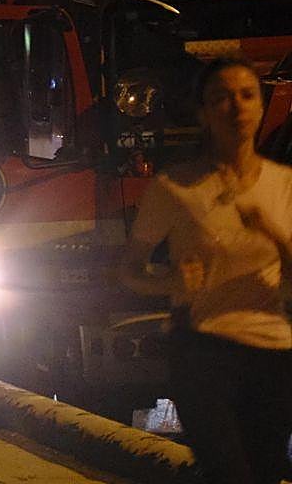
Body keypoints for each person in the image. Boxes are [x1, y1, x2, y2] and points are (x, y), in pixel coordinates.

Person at [120, 58, 292, 484]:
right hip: (202, 351)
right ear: (203, 113)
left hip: (274, 353)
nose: (237, 107)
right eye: (222, 98)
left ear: (261, 104)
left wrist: (275, 235)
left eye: (247, 95)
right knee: (228, 471)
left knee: (266, 470)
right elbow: (125, 271)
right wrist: (170, 281)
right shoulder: (173, 188)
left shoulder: (284, 184)